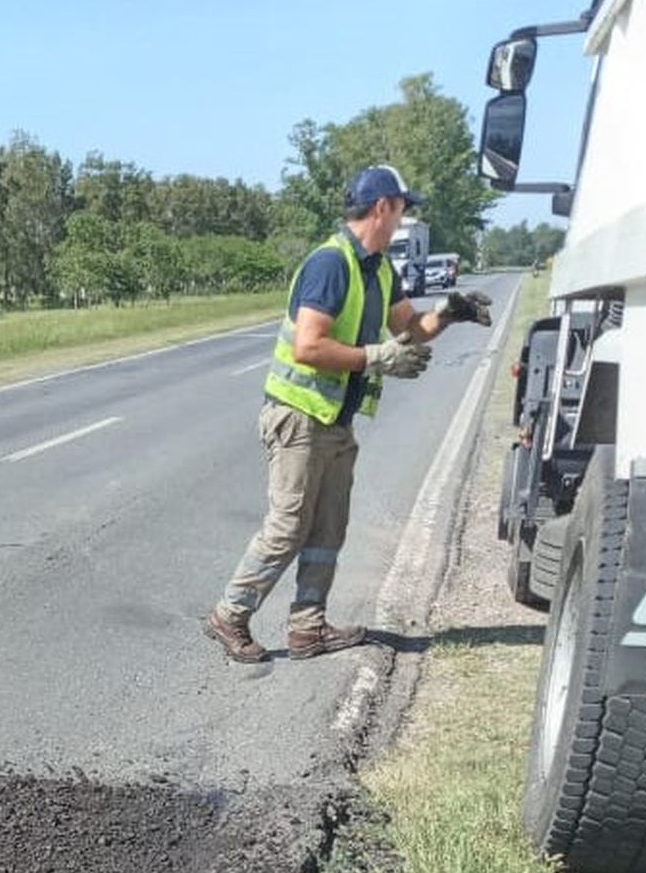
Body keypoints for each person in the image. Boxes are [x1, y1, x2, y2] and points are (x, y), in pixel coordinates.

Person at [204, 165, 492, 664]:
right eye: (403, 208)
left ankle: (308, 628)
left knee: (328, 527)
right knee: (289, 526)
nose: (405, 218)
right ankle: (230, 614)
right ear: (383, 207)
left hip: (335, 419)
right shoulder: (330, 265)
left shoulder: (379, 267)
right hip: (297, 415)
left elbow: (409, 328)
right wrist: (379, 357)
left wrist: (449, 313)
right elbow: (309, 348)